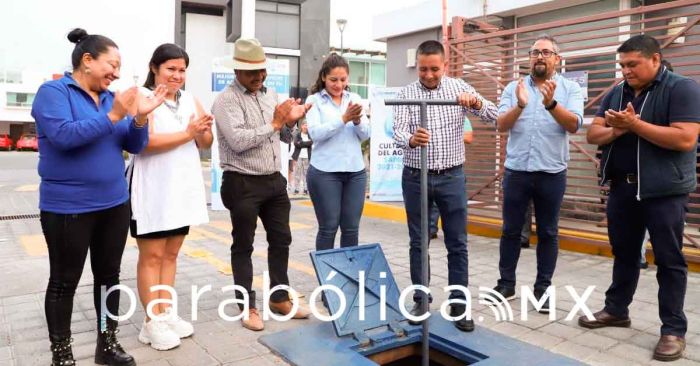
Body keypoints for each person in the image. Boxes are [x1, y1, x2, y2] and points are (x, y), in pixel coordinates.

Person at [31, 28, 166, 366]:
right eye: (112, 64)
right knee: (64, 281)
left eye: (119, 67)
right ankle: (61, 355)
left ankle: (107, 346)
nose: (116, 73)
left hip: (113, 205)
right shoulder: (53, 92)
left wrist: (139, 117)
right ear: (87, 60)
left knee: (109, 278)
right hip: (67, 208)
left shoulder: (111, 99)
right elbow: (63, 136)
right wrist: (116, 115)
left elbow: (134, 146)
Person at [581, 35, 700, 362]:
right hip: (622, 188)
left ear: (655, 60)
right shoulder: (617, 92)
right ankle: (617, 310)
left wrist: (634, 124)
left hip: (664, 192)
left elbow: (685, 138)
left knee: (669, 260)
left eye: (632, 64)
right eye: (622, 65)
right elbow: (594, 134)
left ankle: (673, 330)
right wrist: (619, 130)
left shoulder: (682, 89)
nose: (626, 71)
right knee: (624, 253)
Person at [393, 40, 498, 332]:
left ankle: (459, 305)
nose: (428, 75)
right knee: (418, 240)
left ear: (445, 65)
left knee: (457, 241)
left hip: (451, 176)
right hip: (416, 176)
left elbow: (495, 114)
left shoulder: (458, 89)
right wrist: (412, 140)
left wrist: (475, 103)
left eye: (434, 69)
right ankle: (420, 299)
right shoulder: (406, 93)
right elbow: (398, 129)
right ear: (417, 66)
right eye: (423, 69)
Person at [212, 38, 311, 332]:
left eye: (262, 71)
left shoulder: (271, 96)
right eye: (252, 72)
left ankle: (279, 298)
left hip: (273, 180)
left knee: (281, 239)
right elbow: (239, 142)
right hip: (241, 181)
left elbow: (282, 139)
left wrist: (290, 123)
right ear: (237, 71)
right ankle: (247, 306)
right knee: (243, 245)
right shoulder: (225, 101)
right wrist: (277, 123)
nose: (259, 77)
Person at [491, 35, 584, 314]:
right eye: (534, 52)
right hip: (517, 171)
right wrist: (519, 105)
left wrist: (552, 104)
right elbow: (500, 125)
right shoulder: (513, 87)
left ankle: (543, 289)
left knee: (548, 232)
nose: (539, 57)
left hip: (551, 172)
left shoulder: (570, 89)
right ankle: (505, 284)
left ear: (557, 58)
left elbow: (574, 126)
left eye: (546, 52)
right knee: (510, 230)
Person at [129, 44, 213, 351]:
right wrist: (189, 133)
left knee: (171, 254)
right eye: (171, 69)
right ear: (154, 68)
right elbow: (145, 142)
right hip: (152, 187)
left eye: (182, 70)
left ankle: (164, 312)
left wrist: (203, 130)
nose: (177, 76)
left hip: (182, 188)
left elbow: (205, 141)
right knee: (151, 256)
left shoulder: (191, 99)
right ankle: (152, 322)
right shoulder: (142, 96)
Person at [305, 54, 370, 250]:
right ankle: (326, 278)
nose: (338, 84)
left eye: (343, 80)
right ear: (324, 76)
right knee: (328, 227)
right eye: (334, 79)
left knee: (351, 229)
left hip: (355, 172)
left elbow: (366, 134)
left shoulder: (355, 99)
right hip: (325, 172)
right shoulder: (314, 100)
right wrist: (343, 119)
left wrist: (357, 121)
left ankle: (349, 277)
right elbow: (315, 133)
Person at [429, 117, 474, 239]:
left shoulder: (462, 118)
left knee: (455, 206)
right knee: (432, 203)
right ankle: (431, 229)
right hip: (431, 169)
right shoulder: (431, 118)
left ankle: (455, 234)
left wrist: (446, 136)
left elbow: (469, 137)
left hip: (452, 170)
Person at [292, 121, 312, 194]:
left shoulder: (310, 135)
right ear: (301, 126)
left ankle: (306, 189)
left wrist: (302, 143)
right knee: (297, 173)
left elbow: (311, 142)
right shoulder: (297, 135)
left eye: (307, 125)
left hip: (307, 157)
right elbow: (296, 144)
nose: (305, 127)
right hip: (298, 156)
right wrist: (306, 143)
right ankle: (296, 189)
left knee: (306, 174)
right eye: (304, 125)